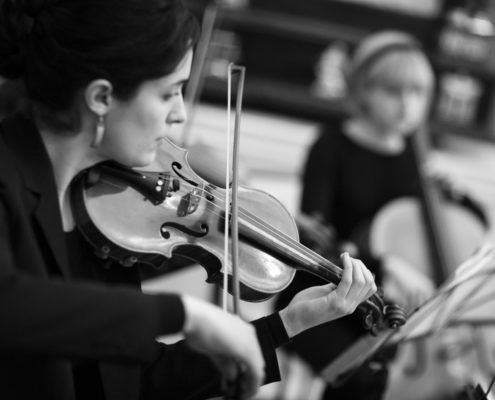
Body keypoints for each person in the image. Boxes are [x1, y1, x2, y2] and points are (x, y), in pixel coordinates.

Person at [0, 1, 377, 400]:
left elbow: (137, 380)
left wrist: (287, 323)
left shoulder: (103, 210)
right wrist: (186, 314)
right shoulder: (7, 177)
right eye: (169, 93)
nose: (179, 115)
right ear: (101, 97)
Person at [276, 30, 441, 400]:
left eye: (418, 93)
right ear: (364, 89)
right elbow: (316, 241)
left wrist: (455, 198)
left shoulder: (417, 160)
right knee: (363, 376)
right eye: (394, 91)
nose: (407, 105)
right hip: (324, 292)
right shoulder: (330, 147)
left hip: (386, 302)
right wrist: (385, 266)